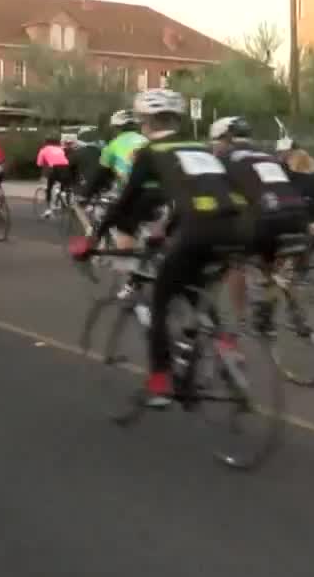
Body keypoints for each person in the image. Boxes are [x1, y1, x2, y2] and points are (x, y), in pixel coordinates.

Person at [70, 88, 242, 408]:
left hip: (198, 227)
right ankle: (223, 343)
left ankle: (160, 380)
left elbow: (125, 200)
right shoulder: (200, 147)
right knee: (194, 286)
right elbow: (194, 195)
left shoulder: (151, 152)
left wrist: (93, 239)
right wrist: (164, 230)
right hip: (233, 227)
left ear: (146, 121)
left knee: (162, 296)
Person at [210, 116, 308, 333]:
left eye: (215, 142)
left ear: (225, 139)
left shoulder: (227, 159)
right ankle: (294, 313)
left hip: (268, 219)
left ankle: (241, 319)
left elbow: (217, 197)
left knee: (234, 261)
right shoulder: (268, 156)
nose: (213, 147)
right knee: (274, 268)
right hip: (297, 215)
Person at [80, 110, 154, 249]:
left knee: (121, 226)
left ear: (116, 128)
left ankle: (129, 264)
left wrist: (86, 194)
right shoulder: (146, 141)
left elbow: (100, 174)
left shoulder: (113, 146)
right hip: (161, 190)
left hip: (135, 191)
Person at [36, 135, 72, 219]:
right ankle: (63, 194)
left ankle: (48, 210)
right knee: (63, 183)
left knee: (49, 188)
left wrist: (44, 164)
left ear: (45, 142)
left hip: (55, 169)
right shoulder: (60, 149)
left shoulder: (44, 150)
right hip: (66, 168)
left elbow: (39, 163)